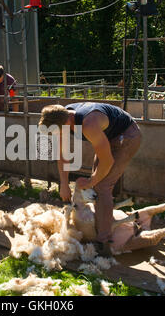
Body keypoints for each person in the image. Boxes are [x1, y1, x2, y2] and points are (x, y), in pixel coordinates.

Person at [38, 102, 142, 257]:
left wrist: (92, 181)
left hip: (127, 137)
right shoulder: (62, 117)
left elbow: (107, 161)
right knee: (97, 185)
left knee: (102, 186)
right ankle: (104, 225)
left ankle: (104, 243)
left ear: (66, 123)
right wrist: (64, 184)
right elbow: (63, 155)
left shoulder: (89, 124)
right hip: (109, 137)